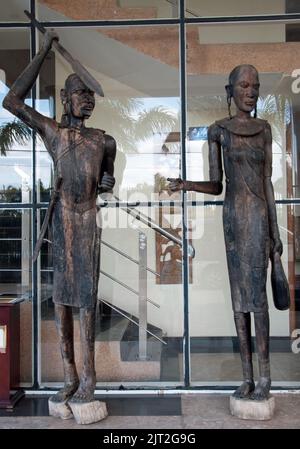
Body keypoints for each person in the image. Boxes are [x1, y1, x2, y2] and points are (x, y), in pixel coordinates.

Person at [3, 31, 116, 404]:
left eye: (90, 93)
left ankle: (89, 377)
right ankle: (68, 374)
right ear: (65, 99)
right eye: (79, 93)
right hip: (61, 222)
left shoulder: (104, 140)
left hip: (88, 225)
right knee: (61, 301)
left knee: (87, 301)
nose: (87, 99)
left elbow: (105, 182)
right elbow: (12, 100)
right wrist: (43, 52)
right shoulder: (55, 133)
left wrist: (106, 181)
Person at [168, 64, 283, 401]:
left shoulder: (265, 129)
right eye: (244, 85)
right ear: (230, 90)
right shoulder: (218, 131)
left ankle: (266, 377)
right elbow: (217, 184)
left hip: (259, 218)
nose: (251, 91)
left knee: (257, 300)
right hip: (233, 219)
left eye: (255, 86)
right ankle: (246, 377)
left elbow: (267, 183)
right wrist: (186, 184)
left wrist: (275, 233)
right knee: (238, 301)